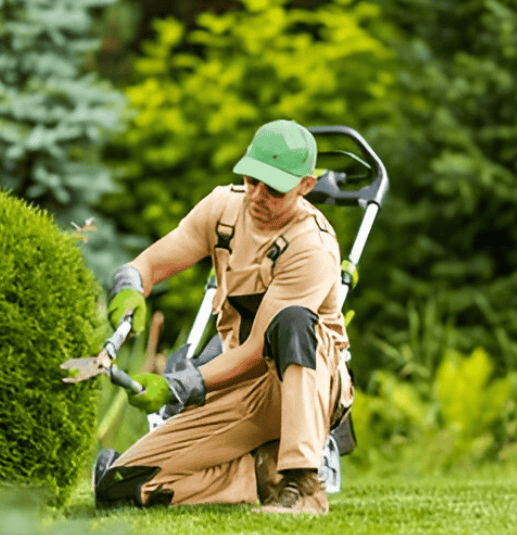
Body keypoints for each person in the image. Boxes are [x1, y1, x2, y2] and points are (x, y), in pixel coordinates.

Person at [92, 120, 352, 514]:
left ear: (305, 186)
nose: (258, 196)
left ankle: (302, 485)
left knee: (293, 322)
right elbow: (153, 262)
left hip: (300, 383)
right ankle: (254, 472)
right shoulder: (223, 208)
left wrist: (175, 386)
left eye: (274, 189)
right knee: (118, 488)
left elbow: (256, 352)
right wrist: (129, 285)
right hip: (236, 386)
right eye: (252, 180)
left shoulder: (311, 246)